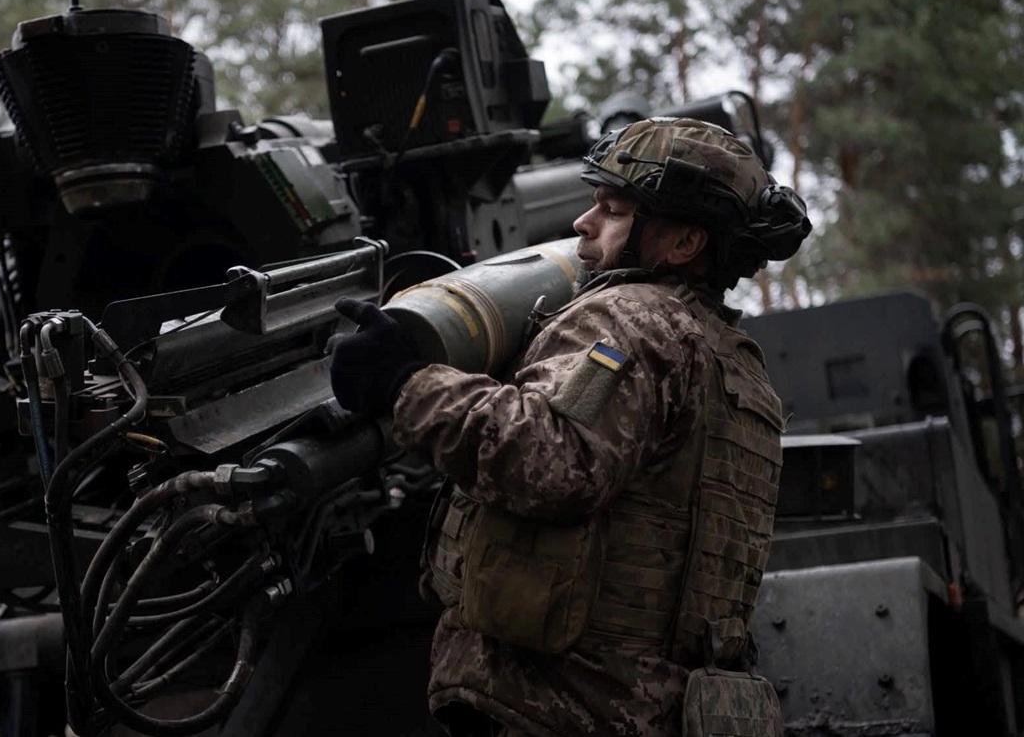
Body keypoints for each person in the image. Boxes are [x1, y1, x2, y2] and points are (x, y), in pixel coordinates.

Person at [327, 116, 812, 737]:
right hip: (661, 707)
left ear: (684, 243)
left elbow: (552, 458)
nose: (584, 222)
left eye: (613, 210)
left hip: (567, 703)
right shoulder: (734, 361)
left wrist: (402, 381)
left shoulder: (632, 320)